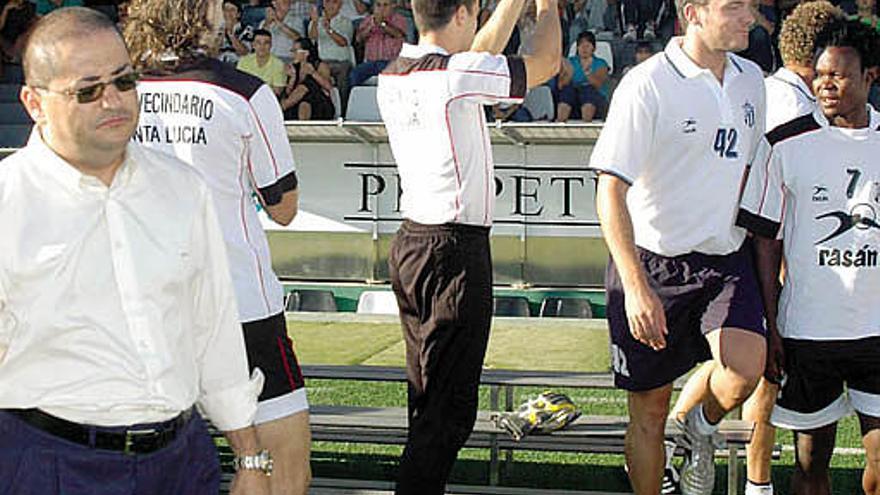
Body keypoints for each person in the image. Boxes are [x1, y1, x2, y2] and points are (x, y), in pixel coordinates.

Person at [0, 7, 269, 495]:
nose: (113, 101)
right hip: (49, 466)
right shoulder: (8, 203)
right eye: (88, 91)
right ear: (34, 102)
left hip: (184, 463)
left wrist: (251, 456)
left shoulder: (183, 188)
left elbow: (212, 327)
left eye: (124, 81)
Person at [125, 0, 312, 494]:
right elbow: (284, 207)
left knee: (155, 467)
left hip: (149, 305)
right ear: (199, 13)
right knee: (282, 466)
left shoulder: (117, 91)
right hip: (240, 303)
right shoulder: (243, 92)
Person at [376, 0, 561, 489]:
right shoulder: (457, 77)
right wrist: (545, 8)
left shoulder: (394, 72)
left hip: (415, 243)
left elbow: (476, 54)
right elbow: (546, 64)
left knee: (428, 398)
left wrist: (507, 8)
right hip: (452, 250)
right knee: (449, 410)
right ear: (461, 14)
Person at [590, 0, 767, 491]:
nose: (749, 16)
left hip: (726, 260)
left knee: (744, 370)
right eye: (736, 7)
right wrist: (636, 287)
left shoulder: (752, 79)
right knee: (648, 412)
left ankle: (699, 428)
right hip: (655, 266)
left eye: (751, 6)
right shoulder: (647, 84)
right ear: (693, 12)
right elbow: (609, 189)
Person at [669, 3, 845, 494]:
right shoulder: (791, 108)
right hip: (759, 249)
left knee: (750, 369)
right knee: (763, 372)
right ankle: (743, 475)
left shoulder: (763, 88)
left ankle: (716, 459)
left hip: (746, 244)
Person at [737, 18, 880, 495]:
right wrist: (773, 326)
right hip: (808, 334)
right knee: (810, 466)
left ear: (869, 77)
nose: (825, 84)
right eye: (819, 74)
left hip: (877, 332)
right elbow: (764, 241)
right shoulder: (784, 144)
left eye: (838, 74)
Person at [308, 0, 353, 110]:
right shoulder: (315, 21)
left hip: (341, 63)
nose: (331, 5)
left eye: (335, 2)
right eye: (328, 1)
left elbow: (343, 42)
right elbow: (312, 38)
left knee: (343, 74)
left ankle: (342, 110)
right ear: (323, 3)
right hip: (322, 63)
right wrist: (314, 22)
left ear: (340, 4)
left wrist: (329, 29)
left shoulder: (346, 22)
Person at [555, 30, 609, 122]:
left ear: (593, 48)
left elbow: (598, 84)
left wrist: (587, 72)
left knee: (587, 90)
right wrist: (568, 74)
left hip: (594, 100)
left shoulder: (601, 63)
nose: (584, 49)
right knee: (568, 91)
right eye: (581, 46)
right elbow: (560, 85)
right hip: (573, 100)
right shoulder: (570, 62)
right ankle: (560, 122)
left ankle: (586, 123)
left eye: (587, 46)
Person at [350, 0, 407, 87]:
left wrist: (382, 24)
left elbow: (398, 34)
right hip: (370, 63)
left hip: (391, 62)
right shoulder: (368, 20)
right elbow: (358, 38)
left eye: (385, 5)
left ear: (393, 6)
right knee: (354, 75)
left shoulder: (399, 19)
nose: (382, 8)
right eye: (378, 5)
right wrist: (371, 26)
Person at [282, 37, 336, 119]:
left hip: (318, 104)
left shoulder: (320, 65)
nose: (293, 54)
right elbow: (288, 93)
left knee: (308, 86)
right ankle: (285, 107)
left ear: (306, 53)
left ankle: (282, 107)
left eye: (295, 51)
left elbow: (329, 87)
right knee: (302, 100)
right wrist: (292, 78)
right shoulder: (294, 67)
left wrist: (313, 73)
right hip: (296, 104)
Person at [238, 28, 289, 95]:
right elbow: (238, 84)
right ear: (253, 45)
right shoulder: (244, 61)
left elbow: (277, 91)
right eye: (258, 43)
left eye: (266, 43)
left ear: (271, 45)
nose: (262, 46)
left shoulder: (278, 64)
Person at [219, 0, 255, 65]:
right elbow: (213, 52)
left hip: (238, 66)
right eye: (226, 10)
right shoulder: (220, 28)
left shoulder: (248, 29)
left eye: (232, 10)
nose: (228, 13)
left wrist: (231, 34)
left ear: (238, 14)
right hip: (220, 64)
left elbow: (244, 53)